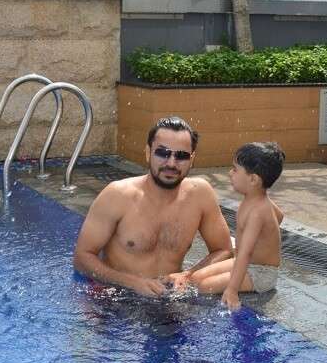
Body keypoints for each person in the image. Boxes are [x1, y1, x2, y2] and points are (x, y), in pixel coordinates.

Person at [73, 117, 232, 297]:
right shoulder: (117, 195)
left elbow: (224, 250)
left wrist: (188, 275)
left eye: (181, 156)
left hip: (167, 297)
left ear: (192, 158)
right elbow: (82, 258)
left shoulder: (200, 195)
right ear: (148, 152)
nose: (171, 163)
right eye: (162, 153)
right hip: (115, 295)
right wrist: (132, 283)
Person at [190, 142, 285, 310]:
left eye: (235, 169)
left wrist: (232, 291)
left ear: (253, 179)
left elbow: (245, 253)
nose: (230, 173)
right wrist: (266, 238)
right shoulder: (257, 199)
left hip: (261, 274)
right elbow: (279, 216)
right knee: (196, 278)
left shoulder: (257, 212)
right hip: (248, 263)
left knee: (204, 287)